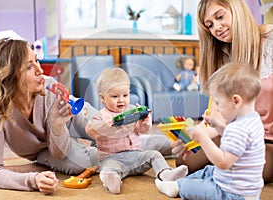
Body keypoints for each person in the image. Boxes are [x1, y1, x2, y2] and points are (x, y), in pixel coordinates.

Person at [0, 38, 176, 194]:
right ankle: (126, 155)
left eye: (37, 60)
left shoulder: (47, 87)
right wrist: (32, 179)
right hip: (49, 149)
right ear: (11, 74)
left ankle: (174, 144)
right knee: (82, 162)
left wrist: (106, 126)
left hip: (74, 116)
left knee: (112, 130)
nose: (40, 70)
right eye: (29, 66)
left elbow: (83, 114)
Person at [172, 0, 273, 184]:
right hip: (238, 133)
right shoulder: (224, 55)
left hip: (268, 141)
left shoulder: (270, 39)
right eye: (209, 25)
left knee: (254, 167)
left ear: (236, 9)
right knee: (184, 161)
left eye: (220, 16)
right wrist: (192, 135)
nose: (217, 27)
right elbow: (218, 114)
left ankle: (212, 176)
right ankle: (212, 176)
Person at [156, 62, 265, 199]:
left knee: (196, 187)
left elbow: (223, 162)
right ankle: (176, 181)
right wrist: (218, 126)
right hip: (242, 187)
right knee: (209, 170)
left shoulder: (237, 129)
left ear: (236, 101)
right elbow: (236, 143)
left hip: (231, 193)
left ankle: (178, 186)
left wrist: (203, 138)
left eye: (218, 103)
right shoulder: (252, 120)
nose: (217, 108)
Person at [85, 68, 188, 194]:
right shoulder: (99, 116)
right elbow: (90, 130)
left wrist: (144, 120)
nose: (121, 100)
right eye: (115, 96)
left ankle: (166, 174)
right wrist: (108, 125)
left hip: (135, 155)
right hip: (111, 158)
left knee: (154, 154)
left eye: (125, 95)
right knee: (108, 170)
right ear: (102, 98)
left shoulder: (132, 111)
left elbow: (143, 130)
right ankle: (112, 181)